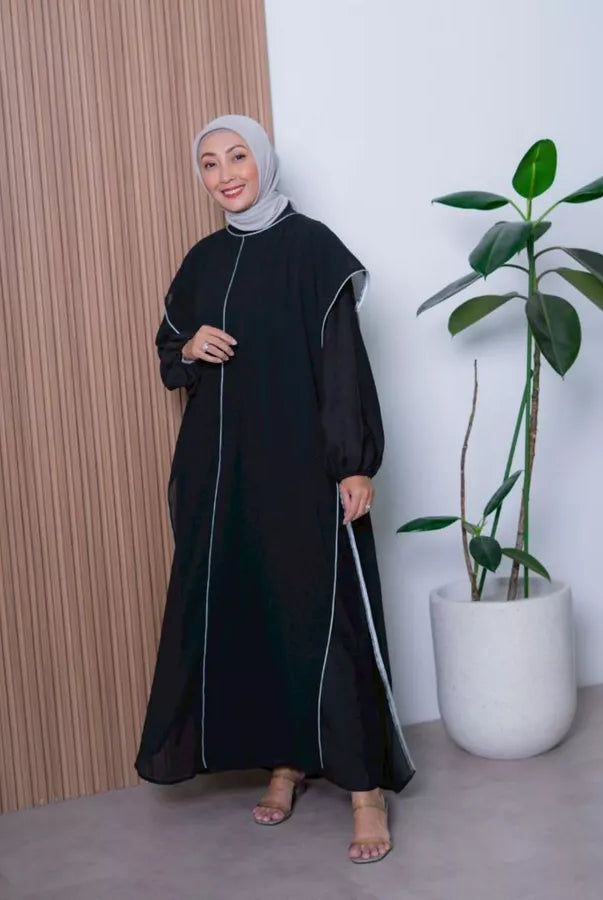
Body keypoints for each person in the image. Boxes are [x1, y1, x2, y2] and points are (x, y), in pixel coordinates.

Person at [135, 115, 415, 864]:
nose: (225, 173)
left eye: (236, 157)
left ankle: (363, 792)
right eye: (208, 162)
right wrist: (188, 345)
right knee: (259, 617)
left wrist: (354, 462)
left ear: (262, 162)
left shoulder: (311, 249)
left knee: (329, 618)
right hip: (226, 481)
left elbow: (344, 360)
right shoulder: (202, 260)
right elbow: (170, 350)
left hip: (305, 470)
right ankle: (284, 767)